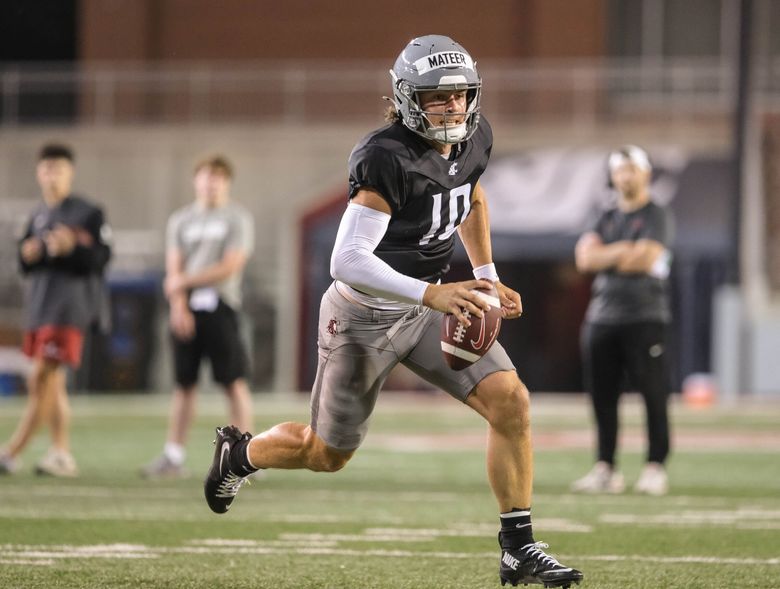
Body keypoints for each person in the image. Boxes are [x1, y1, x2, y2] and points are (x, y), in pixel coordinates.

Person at [202, 35, 583, 588]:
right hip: (363, 315)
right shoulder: (385, 156)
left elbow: (470, 196)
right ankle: (240, 455)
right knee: (325, 453)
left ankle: (517, 550)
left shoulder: (476, 138)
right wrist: (435, 295)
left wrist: (485, 276)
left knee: (511, 402)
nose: (453, 108)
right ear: (407, 99)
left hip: (426, 302)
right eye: (437, 98)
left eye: (461, 95)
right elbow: (347, 260)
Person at [0, 143, 112, 477]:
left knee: (41, 377)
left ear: (70, 172)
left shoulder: (88, 213)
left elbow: (101, 259)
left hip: (68, 309)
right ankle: (61, 452)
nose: (52, 175)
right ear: (38, 172)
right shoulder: (37, 215)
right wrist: (28, 254)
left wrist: (73, 248)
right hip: (41, 308)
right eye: (47, 168)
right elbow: (24, 263)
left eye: (59, 168)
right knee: (51, 385)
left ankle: (11, 451)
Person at [141, 155, 255, 478]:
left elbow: (231, 265)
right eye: (205, 176)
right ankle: (172, 456)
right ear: (195, 180)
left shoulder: (237, 218)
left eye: (218, 177)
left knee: (233, 381)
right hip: (187, 309)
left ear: (227, 182)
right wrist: (178, 306)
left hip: (221, 305)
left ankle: (246, 455)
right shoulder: (181, 220)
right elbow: (173, 268)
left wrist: (183, 282)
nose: (210, 183)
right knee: (184, 384)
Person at [571, 145, 674, 496]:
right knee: (602, 396)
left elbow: (643, 260)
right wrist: (624, 251)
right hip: (602, 317)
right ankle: (605, 467)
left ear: (645, 173)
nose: (626, 176)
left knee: (653, 393)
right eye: (620, 170)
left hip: (645, 316)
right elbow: (584, 259)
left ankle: (655, 466)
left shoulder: (657, 214)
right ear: (613, 177)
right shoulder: (604, 215)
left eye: (632, 169)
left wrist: (608, 255)